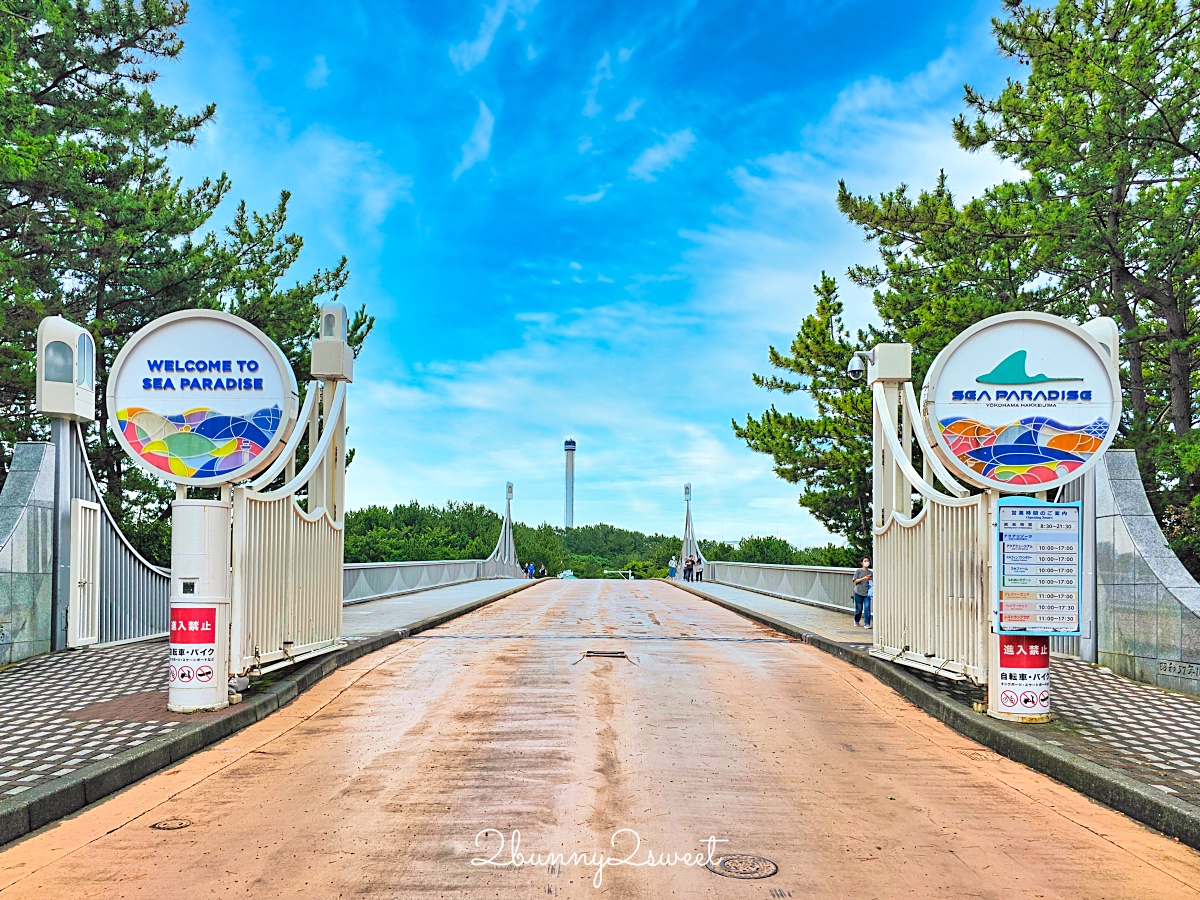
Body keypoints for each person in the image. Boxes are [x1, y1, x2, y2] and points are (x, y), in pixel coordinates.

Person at [852, 557, 873, 627]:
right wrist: (864, 578)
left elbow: (873, 582)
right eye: (865, 561)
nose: (867, 562)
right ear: (862, 563)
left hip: (867, 593)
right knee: (859, 608)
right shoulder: (858, 571)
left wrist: (871, 579)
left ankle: (867, 623)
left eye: (868, 561)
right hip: (858, 592)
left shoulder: (871, 573)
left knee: (867, 607)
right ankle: (856, 620)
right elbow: (855, 581)